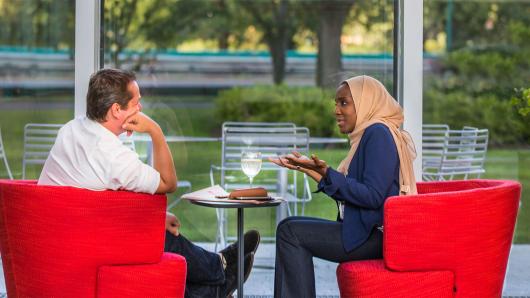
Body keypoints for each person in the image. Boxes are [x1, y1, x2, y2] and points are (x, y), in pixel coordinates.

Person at [38, 68, 260, 298]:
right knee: (157, 236)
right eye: (136, 103)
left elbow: (95, 197)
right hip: (85, 248)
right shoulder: (111, 154)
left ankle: (211, 282)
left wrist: (153, 217)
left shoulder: (71, 129)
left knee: (154, 227)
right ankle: (219, 270)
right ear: (116, 110)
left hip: (62, 235)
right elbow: (168, 183)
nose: (140, 109)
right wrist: (156, 131)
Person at [269, 75, 417, 298]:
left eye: (344, 103)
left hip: (375, 236)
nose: (336, 110)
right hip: (366, 231)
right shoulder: (369, 134)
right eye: (336, 103)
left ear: (366, 102)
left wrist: (328, 173)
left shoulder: (378, 134)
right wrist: (313, 171)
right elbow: (356, 193)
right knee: (289, 226)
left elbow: (373, 197)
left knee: (290, 232)